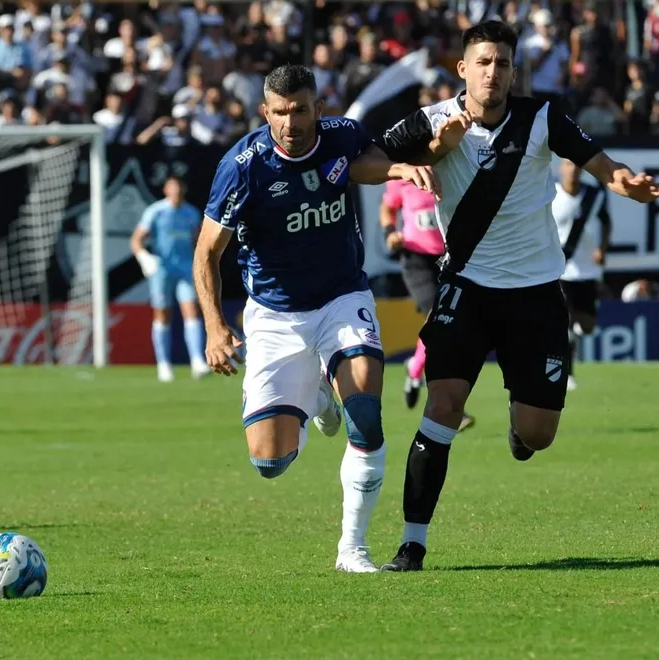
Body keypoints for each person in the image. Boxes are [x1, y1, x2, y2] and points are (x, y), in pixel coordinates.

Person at [374, 20, 659, 572]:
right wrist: (424, 154)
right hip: (464, 289)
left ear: (513, 71)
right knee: (442, 408)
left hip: (534, 294)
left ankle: (519, 428)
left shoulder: (542, 118)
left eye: (502, 63)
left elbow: (601, 164)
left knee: (538, 433)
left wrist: (624, 182)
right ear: (462, 68)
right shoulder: (433, 120)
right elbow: (366, 160)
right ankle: (412, 543)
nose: (492, 72)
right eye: (482, 62)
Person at [193, 64, 436, 573]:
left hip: (341, 297)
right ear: (265, 112)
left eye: (300, 109)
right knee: (269, 462)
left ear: (317, 108)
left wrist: (396, 169)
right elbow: (206, 253)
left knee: (367, 412)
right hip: (275, 316)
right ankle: (320, 396)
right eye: (280, 112)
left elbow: (361, 161)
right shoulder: (242, 167)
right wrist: (216, 327)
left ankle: (353, 549)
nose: (290, 122)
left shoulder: (341, 134)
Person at [379, 179, 474, 431]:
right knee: (439, 319)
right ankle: (449, 405)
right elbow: (388, 208)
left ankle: (415, 368)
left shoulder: (450, 170)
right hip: (416, 260)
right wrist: (390, 233)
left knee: (449, 326)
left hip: (449, 258)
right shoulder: (404, 176)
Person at [130, 175, 208, 382]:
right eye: (172, 187)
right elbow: (137, 240)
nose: (176, 190)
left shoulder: (191, 213)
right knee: (162, 314)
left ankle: (197, 361)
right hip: (162, 270)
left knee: (191, 311)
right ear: (166, 189)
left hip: (185, 269)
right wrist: (144, 258)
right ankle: (163, 364)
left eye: (179, 186)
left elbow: (197, 241)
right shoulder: (156, 211)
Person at [552, 158, 611, 391]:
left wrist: (602, 248)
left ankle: (575, 332)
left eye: (577, 165)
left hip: (587, 269)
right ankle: (567, 373)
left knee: (587, 325)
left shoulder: (594, 195)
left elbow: (606, 222)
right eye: (568, 164)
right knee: (565, 320)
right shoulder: (551, 194)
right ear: (561, 168)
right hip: (561, 268)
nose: (573, 169)